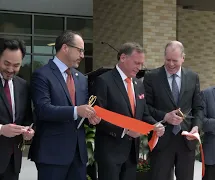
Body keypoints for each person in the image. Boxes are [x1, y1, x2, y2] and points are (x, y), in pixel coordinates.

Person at [29, 30, 101, 180]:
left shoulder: (81, 78)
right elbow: (43, 110)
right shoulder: (42, 75)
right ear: (65, 48)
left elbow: (83, 110)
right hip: (52, 155)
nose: (82, 55)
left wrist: (91, 117)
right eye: (80, 50)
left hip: (78, 156)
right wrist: (77, 111)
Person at [93, 42, 165, 180]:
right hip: (110, 154)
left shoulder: (138, 84)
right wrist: (124, 130)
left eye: (141, 64)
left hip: (132, 153)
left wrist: (155, 125)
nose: (139, 67)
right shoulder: (104, 81)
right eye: (136, 63)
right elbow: (98, 116)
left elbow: (143, 114)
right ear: (123, 58)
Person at [143, 41, 204, 180]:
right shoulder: (151, 77)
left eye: (175, 60)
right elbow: (145, 107)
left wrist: (196, 127)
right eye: (168, 60)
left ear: (183, 58)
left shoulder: (192, 77)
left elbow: (198, 107)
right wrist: (164, 116)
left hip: (186, 140)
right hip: (162, 139)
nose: (171, 64)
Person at [0, 38, 34, 180]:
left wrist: (28, 131)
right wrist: (1, 129)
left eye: (16, 65)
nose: (10, 69)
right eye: (6, 63)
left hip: (12, 161)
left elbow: (26, 118)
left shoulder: (23, 85)